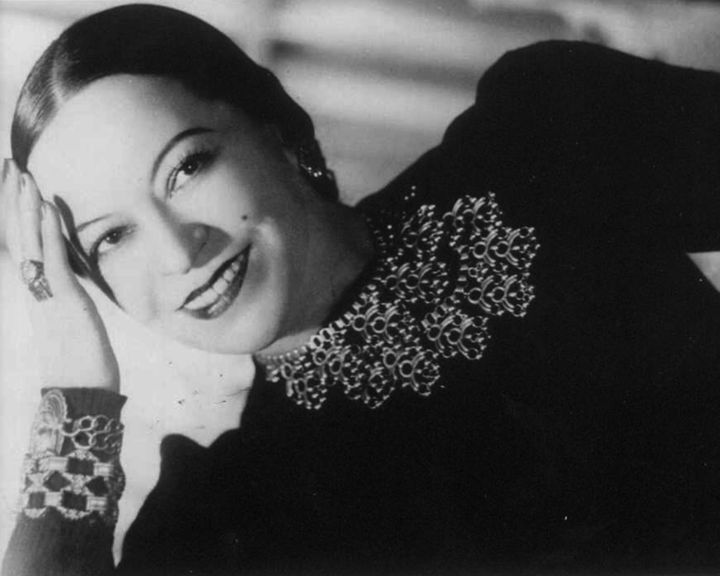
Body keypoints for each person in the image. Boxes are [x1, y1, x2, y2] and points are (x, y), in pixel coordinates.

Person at [3, 3, 720, 574]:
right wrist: (76, 388)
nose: (175, 251)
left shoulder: (536, 133)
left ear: (274, 131)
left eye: (186, 168)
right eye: (112, 238)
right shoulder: (231, 516)